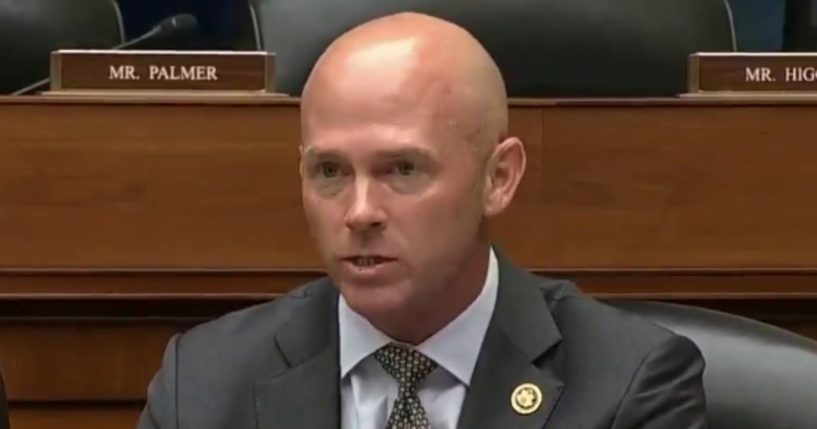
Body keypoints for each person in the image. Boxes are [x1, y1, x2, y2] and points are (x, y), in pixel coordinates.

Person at [137, 12, 706, 429]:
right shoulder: (205, 384)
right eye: (331, 171)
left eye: (402, 169)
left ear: (498, 178)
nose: (360, 212)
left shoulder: (629, 384)